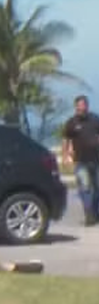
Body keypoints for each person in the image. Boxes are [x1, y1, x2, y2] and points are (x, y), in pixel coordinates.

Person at [62, 94, 99, 226]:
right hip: (81, 161)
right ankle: (89, 213)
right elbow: (66, 139)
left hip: (96, 160)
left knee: (97, 187)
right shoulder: (72, 123)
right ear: (76, 107)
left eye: (84, 105)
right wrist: (65, 155)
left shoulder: (95, 119)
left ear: (87, 106)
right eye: (79, 106)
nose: (82, 108)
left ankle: (95, 212)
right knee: (85, 187)